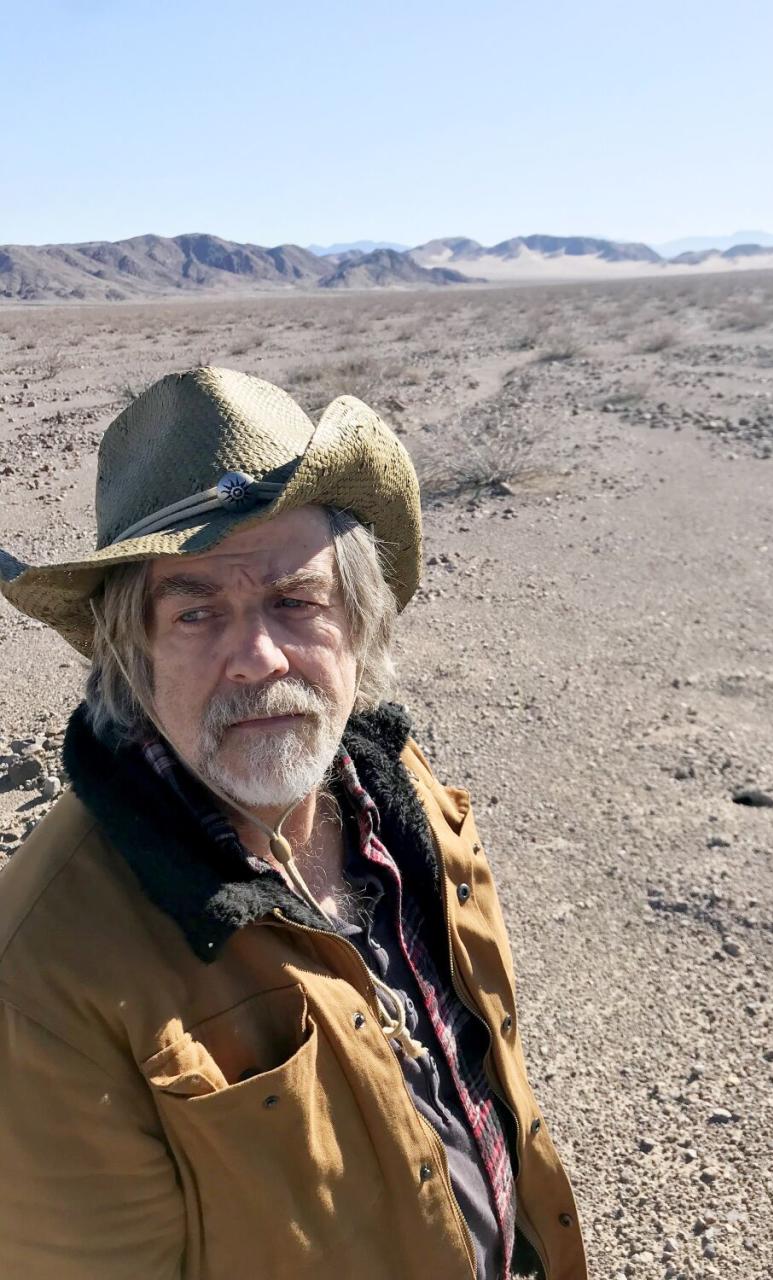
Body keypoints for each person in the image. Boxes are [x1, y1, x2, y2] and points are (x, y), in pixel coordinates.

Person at [0, 367, 588, 1280]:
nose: (259, 657)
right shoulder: (45, 975)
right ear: (132, 648)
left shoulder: (395, 792)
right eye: (196, 610)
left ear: (359, 620)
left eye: (295, 600)